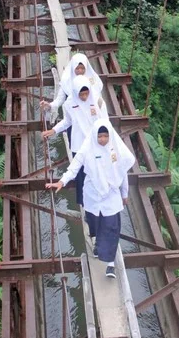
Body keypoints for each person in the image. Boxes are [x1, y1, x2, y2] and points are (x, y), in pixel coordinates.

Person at [46, 119, 135, 279]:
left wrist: (124, 194)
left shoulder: (116, 150)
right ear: (95, 136)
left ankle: (110, 265)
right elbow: (74, 167)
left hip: (111, 197)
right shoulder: (87, 149)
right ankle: (96, 243)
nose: (102, 139)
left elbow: (123, 173)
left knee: (111, 228)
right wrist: (62, 181)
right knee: (94, 224)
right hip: (93, 195)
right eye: (100, 136)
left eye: (105, 136)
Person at [41, 75, 107, 207]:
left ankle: (99, 202)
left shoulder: (97, 101)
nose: (84, 97)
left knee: (97, 173)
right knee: (81, 175)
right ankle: (85, 205)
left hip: (97, 144)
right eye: (81, 94)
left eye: (86, 93)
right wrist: (53, 130)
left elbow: (106, 125)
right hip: (80, 144)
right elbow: (67, 121)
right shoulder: (69, 104)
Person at [40, 53, 104, 113]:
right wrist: (50, 105)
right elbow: (59, 99)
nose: (80, 71)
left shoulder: (91, 79)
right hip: (75, 112)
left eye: (83, 68)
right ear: (73, 67)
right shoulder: (67, 81)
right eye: (77, 68)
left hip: (91, 112)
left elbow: (97, 96)